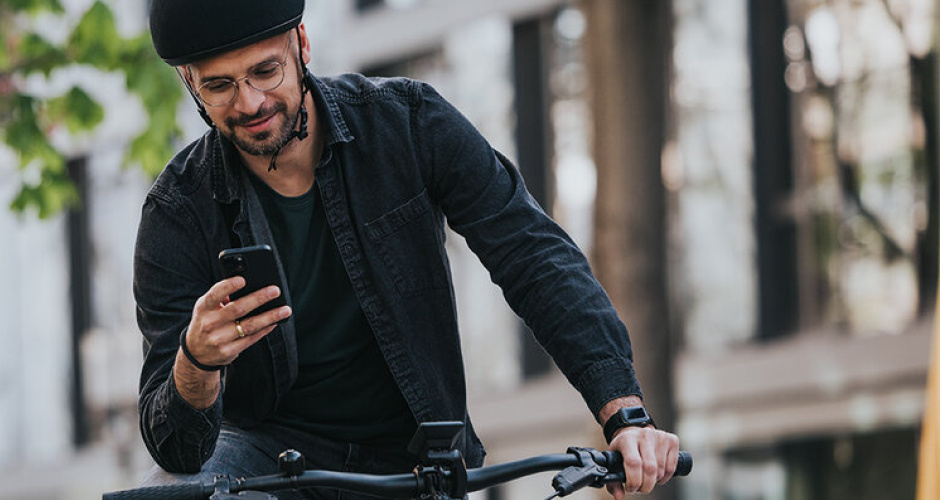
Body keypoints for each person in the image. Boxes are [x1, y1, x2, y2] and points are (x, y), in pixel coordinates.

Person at [130, 1, 682, 498]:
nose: (249, 102)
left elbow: (532, 256)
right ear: (188, 81)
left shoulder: (410, 124)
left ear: (301, 44)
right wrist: (196, 360)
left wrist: (624, 413)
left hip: (419, 460)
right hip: (267, 467)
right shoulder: (176, 213)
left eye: (264, 71)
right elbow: (177, 452)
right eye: (219, 86)